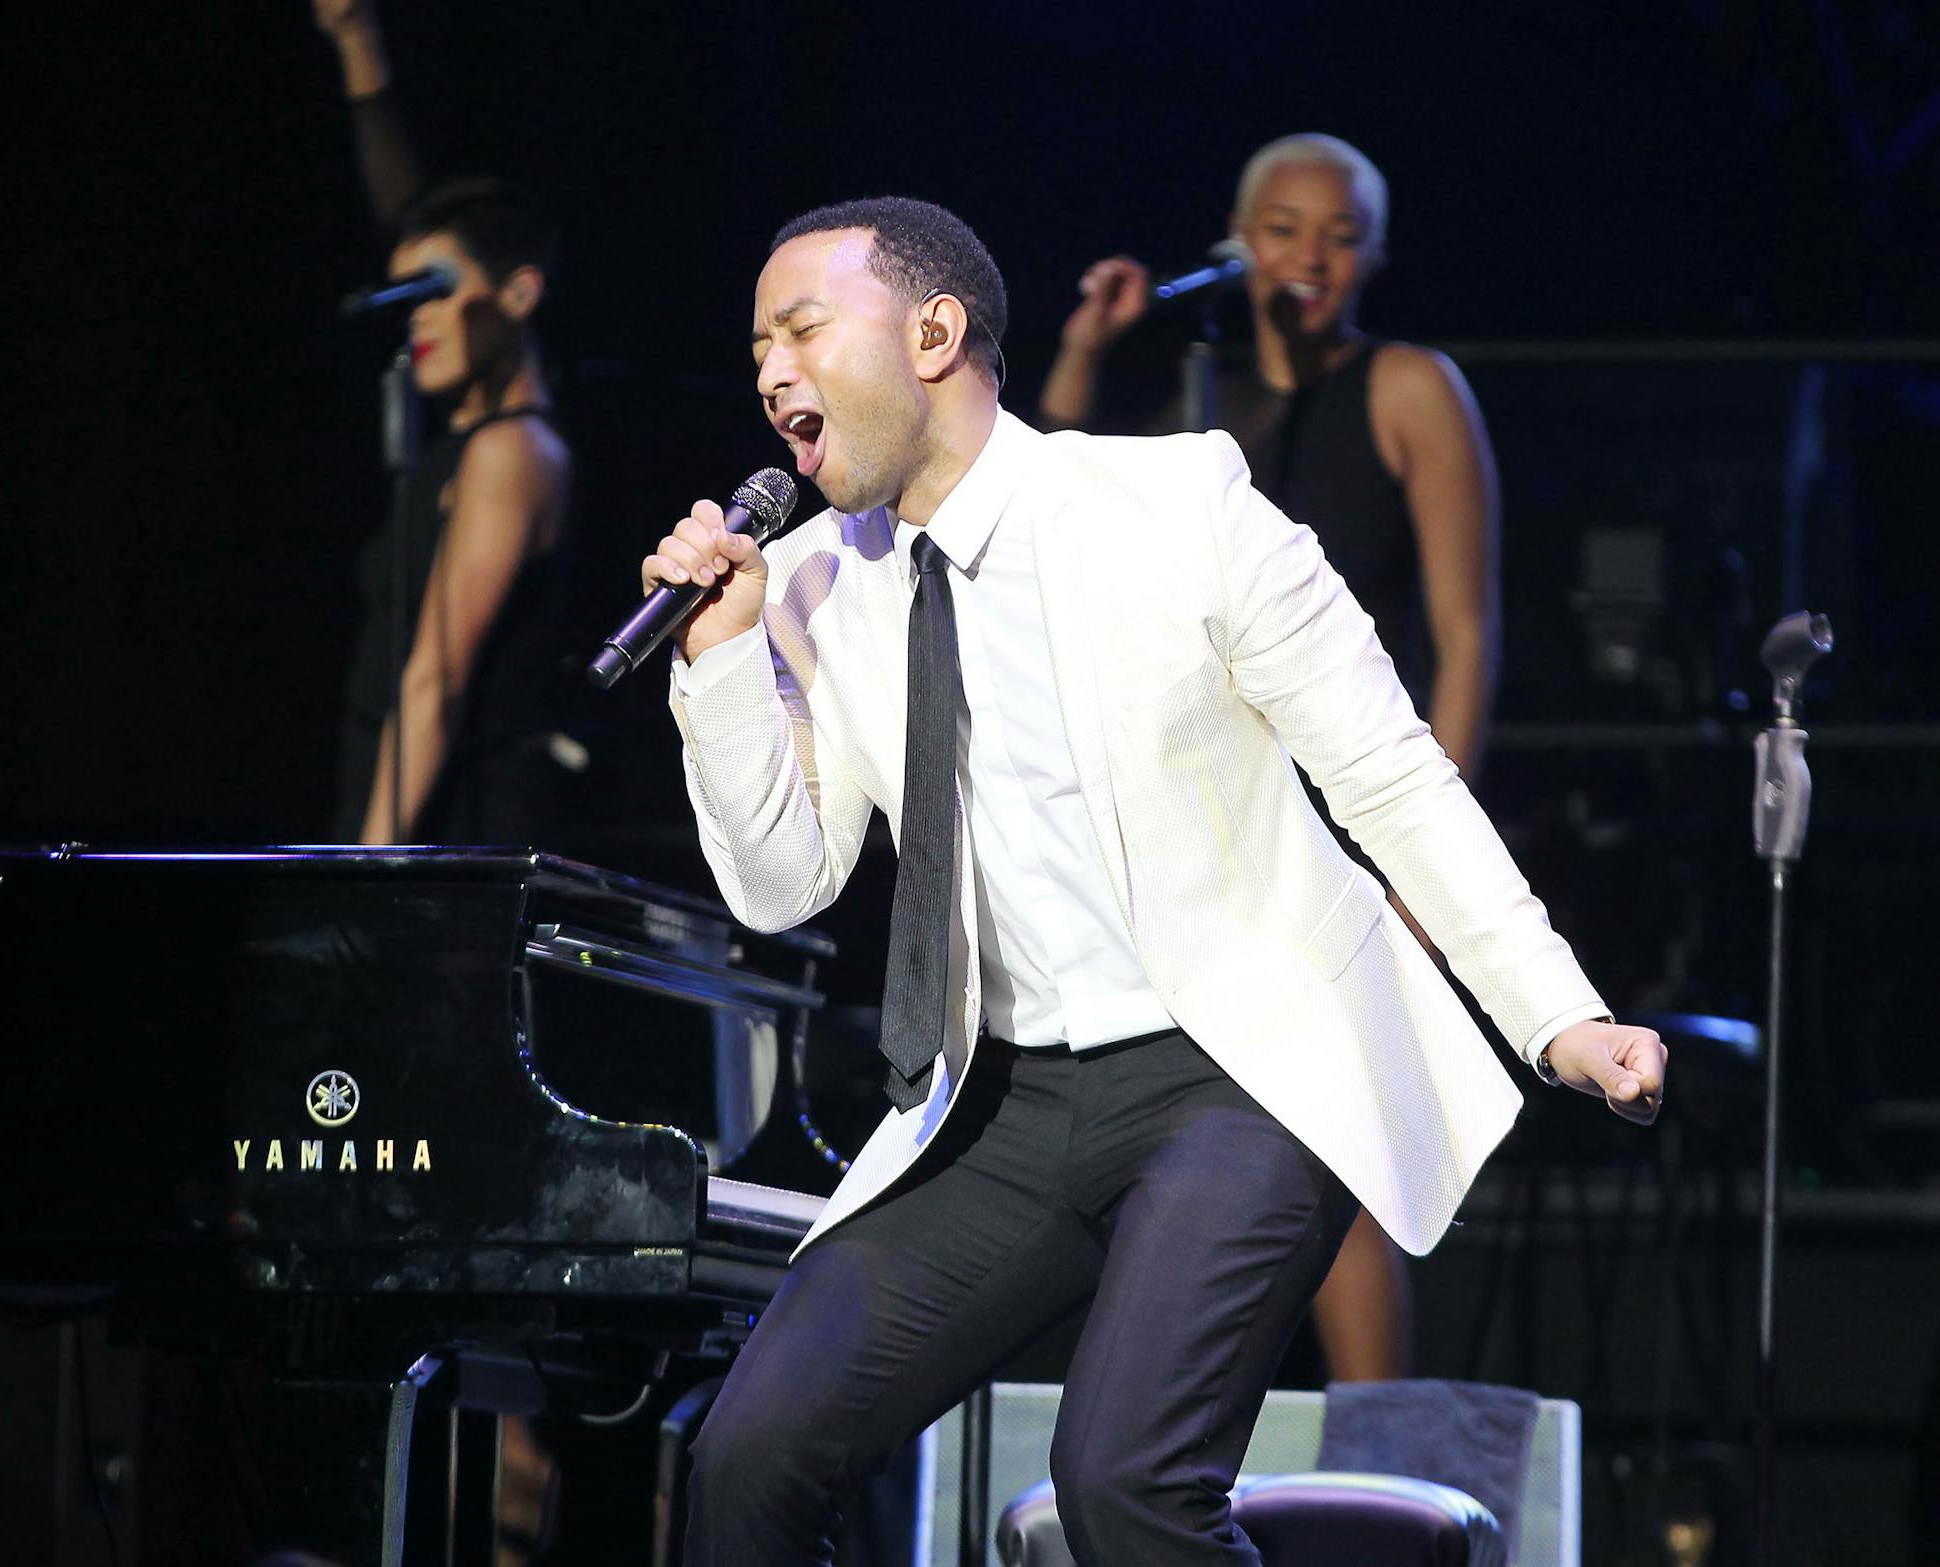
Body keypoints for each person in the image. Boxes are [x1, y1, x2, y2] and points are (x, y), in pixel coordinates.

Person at [643, 196, 1664, 1564]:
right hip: (1001, 1096)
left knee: (1123, 1479)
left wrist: (1557, 1014)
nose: (771, 371)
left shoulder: (1177, 502)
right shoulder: (817, 581)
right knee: (750, 1454)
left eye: (804, 327)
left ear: (935, 331)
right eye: (757, 343)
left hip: (1231, 1070)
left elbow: (1391, 773)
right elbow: (781, 884)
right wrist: (719, 666)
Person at [1039, 133, 1501, 1382]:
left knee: (1333, 1130)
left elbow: (1464, 635)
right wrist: (1087, 342)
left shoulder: (1407, 387)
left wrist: (1423, 862)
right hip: (1204, 815)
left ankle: (1373, 1452)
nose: (1310, 259)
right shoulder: (1198, 403)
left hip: (1345, 815)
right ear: (1238, 244)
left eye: (1340, 235)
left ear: (1374, 256)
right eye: (1286, 230)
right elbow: (1037, 497)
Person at [315, 0, 574, 847]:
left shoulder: (512, 451)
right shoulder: (469, 444)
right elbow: (405, 214)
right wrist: (358, 45)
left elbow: (438, 676)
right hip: (403, 810)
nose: (416, 318)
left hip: (446, 842)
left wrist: (366, 870)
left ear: (518, 293)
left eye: (435, 291)